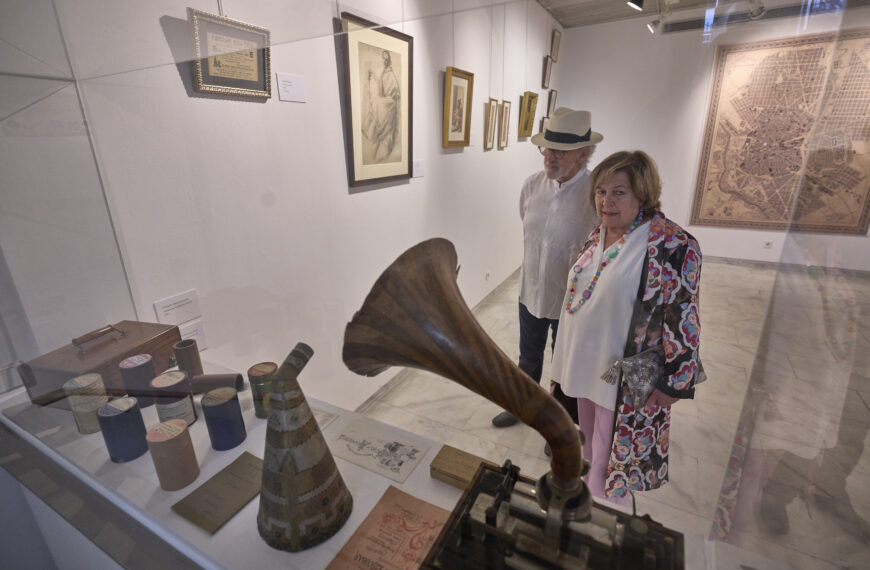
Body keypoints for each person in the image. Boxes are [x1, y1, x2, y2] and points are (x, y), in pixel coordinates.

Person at [549, 150, 703, 505]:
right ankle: (588, 485)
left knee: (614, 449)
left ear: (643, 194)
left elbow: (684, 317)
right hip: (582, 360)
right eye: (601, 192)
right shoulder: (598, 234)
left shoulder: (673, 245)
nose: (606, 201)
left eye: (618, 192)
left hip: (623, 368)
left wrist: (675, 380)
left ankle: (604, 506)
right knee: (588, 439)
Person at [491, 108, 601, 428]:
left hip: (573, 299)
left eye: (560, 151)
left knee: (566, 366)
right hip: (532, 291)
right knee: (528, 357)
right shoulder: (531, 186)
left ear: (583, 154)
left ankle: (561, 426)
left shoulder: (595, 194)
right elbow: (531, 231)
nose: (550, 157)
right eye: (547, 148)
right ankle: (523, 406)